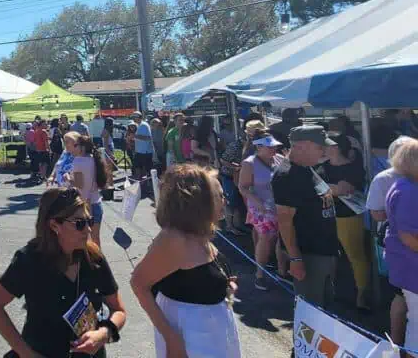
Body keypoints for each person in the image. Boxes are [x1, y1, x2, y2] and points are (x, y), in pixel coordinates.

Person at [0, 188, 127, 358]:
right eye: (79, 223)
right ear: (54, 225)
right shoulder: (29, 260)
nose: (88, 230)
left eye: (90, 221)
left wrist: (103, 334)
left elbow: (119, 310)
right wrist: (25, 353)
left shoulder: (93, 258)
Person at [131, 164, 242, 358]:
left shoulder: (200, 233)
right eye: (219, 196)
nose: (225, 201)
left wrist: (224, 285)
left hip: (213, 332)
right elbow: (139, 284)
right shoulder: (174, 240)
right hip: (191, 336)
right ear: (200, 202)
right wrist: (171, 338)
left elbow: (195, 278)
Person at [272, 125, 339, 310]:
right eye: (320, 147)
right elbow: (285, 221)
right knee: (311, 313)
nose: (323, 151)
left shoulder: (306, 168)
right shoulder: (287, 175)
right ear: (302, 146)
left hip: (323, 251)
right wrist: (295, 259)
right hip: (309, 254)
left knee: (324, 309)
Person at [320, 132, 370, 310]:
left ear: (336, 147)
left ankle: (361, 295)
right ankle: (332, 288)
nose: (323, 147)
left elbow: (342, 189)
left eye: (326, 144)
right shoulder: (322, 167)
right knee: (331, 255)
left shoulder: (353, 168)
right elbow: (326, 189)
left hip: (348, 217)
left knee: (355, 256)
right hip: (326, 217)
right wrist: (332, 188)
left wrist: (328, 188)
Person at [383, 136, 418, 356]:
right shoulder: (410, 191)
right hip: (412, 265)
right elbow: (409, 237)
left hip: (405, 263)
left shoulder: (404, 185)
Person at [238, 132, 287, 290]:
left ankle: (282, 271)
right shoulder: (249, 163)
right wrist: (256, 201)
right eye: (270, 146)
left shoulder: (279, 159)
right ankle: (260, 274)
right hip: (262, 207)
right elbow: (243, 187)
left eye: (274, 146)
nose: (274, 148)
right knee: (265, 238)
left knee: (282, 238)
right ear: (259, 147)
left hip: (281, 205)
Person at [131, 112, 154, 181]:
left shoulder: (143, 125)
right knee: (139, 167)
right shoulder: (140, 125)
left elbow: (147, 138)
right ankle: (142, 182)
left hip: (145, 151)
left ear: (138, 117)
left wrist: (134, 136)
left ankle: (149, 184)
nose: (133, 119)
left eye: (134, 117)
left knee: (147, 169)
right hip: (141, 151)